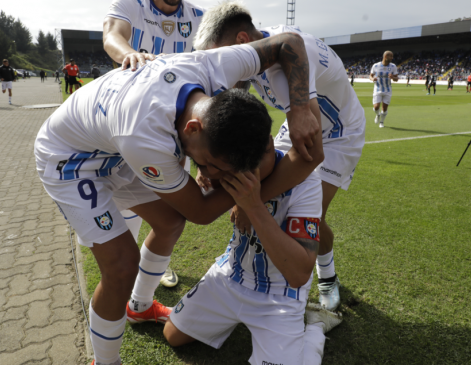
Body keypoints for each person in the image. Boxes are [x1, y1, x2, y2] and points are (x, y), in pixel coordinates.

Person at [35, 36, 321, 365]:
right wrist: (247, 196)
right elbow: (200, 211)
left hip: (113, 147)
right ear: (193, 127)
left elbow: (289, 43)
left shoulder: (212, 64)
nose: (211, 176)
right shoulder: (146, 138)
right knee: (120, 266)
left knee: (169, 222)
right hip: (70, 160)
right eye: (212, 166)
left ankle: (139, 308)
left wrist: (299, 108)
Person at [193, 2, 365, 313]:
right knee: (261, 190)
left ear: (242, 42)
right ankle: (240, 265)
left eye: (221, 58)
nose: (221, 70)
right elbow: (236, 92)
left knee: (311, 214)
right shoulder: (261, 49)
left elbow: (311, 154)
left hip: (339, 134)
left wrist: (249, 203)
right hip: (298, 125)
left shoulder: (284, 64)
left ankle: (326, 274)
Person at [164, 143, 342, 365]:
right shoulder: (227, 166)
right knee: (172, 335)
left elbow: (299, 274)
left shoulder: (306, 182)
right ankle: (232, 319)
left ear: (268, 143)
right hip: (231, 274)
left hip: (279, 293)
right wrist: (203, 170)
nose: (243, 173)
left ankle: (315, 328)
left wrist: (253, 206)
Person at [102, 0, 207, 287]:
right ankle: (131, 260)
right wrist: (131, 55)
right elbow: (112, 35)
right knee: (129, 197)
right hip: (132, 118)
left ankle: (159, 264)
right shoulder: (130, 4)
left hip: (176, 124)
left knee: (169, 202)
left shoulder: (199, 17)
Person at [370, 51, 399, 128]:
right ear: (385, 56)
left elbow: (397, 79)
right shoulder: (376, 66)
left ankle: (381, 122)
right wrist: (372, 79)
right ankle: (378, 115)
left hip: (388, 90)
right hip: (377, 89)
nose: (392, 58)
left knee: (384, 108)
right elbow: (370, 76)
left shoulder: (393, 66)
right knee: (376, 107)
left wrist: (393, 77)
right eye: (391, 56)